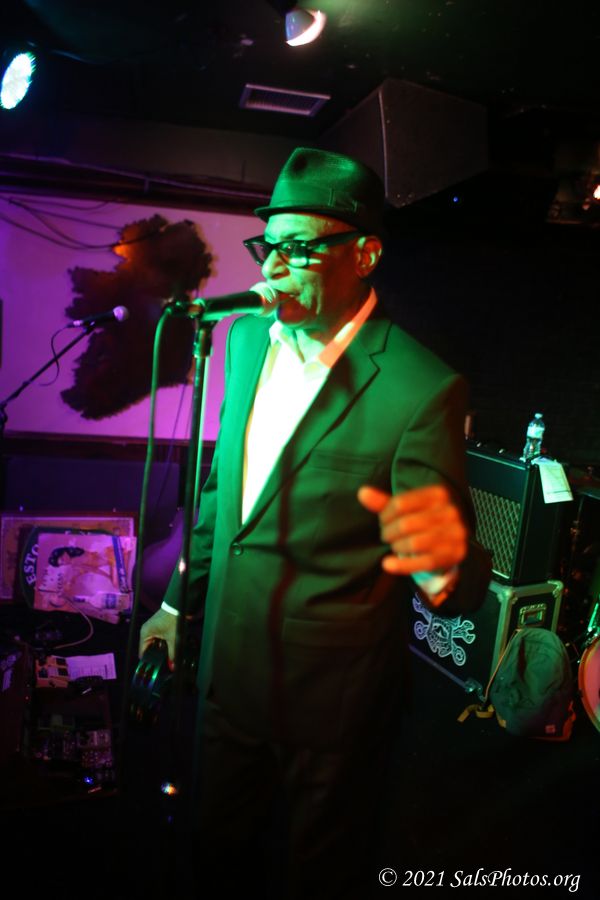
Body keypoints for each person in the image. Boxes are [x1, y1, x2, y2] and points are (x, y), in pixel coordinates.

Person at [139, 147, 491, 898]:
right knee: (214, 858)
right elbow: (223, 497)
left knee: (317, 876)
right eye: (268, 246)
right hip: (225, 677)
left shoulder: (421, 388)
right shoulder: (243, 343)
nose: (273, 267)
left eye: (300, 249)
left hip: (330, 710)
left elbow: (453, 581)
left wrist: (445, 561)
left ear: (365, 255)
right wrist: (175, 605)